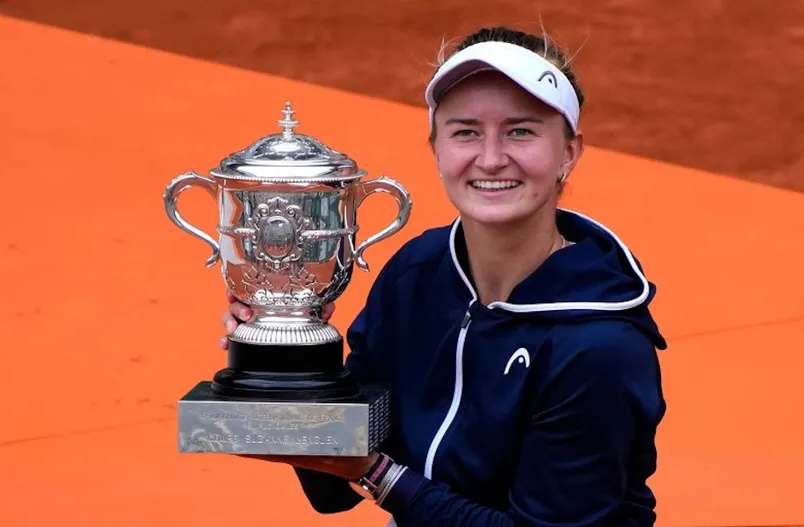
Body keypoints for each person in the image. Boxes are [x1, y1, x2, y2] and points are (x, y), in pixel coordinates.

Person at [221, 26, 668, 527]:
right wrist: (292, 357)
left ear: (569, 152)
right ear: (436, 149)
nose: (491, 158)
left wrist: (376, 473)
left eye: (521, 131)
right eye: (465, 131)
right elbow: (332, 490)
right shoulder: (417, 273)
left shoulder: (598, 348)